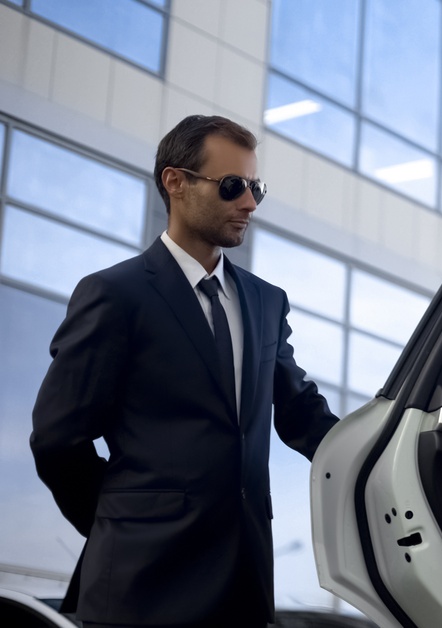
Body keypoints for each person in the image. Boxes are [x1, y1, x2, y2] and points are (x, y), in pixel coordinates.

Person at [29, 115, 339, 627]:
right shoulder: (115, 295)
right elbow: (58, 438)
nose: (250, 203)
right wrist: (120, 520)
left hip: (243, 587)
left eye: (256, 187)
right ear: (175, 182)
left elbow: (302, 413)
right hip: (141, 584)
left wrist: (385, 454)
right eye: (233, 187)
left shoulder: (266, 302)